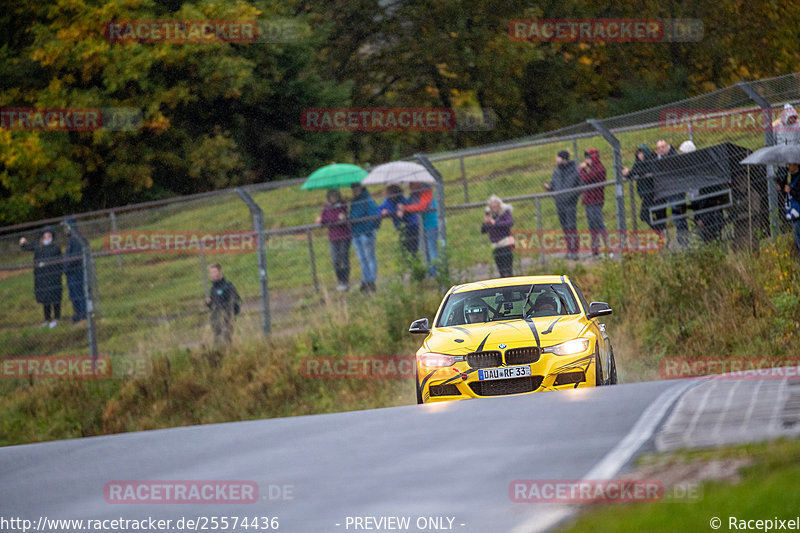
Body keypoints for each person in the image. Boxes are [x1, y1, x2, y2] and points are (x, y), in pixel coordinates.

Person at [19, 226, 63, 328]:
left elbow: (59, 262)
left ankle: (57, 318)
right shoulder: (38, 246)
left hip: (53, 277)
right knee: (45, 299)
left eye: (50, 235)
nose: (48, 237)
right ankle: (47, 319)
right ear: (42, 236)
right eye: (46, 235)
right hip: (42, 278)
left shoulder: (55, 248)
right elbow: (27, 247)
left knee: (55, 298)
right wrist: (22, 243)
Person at [544, 150, 581, 259]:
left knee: (571, 227)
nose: (556, 159)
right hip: (559, 204)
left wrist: (572, 197)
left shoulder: (574, 171)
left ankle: (575, 251)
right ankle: (569, 250)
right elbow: (554, 185)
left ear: (564, 159)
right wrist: (550, 188)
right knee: (565, 228)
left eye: (558, 157)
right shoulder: (556, 172)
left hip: (570, 203)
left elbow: (580, 186)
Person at [399, 182, 438, 277]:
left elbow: (422, 206)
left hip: (431, 224)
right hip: (422, 226)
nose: (410, 187)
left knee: (431, 248)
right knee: (423, 249)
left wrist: (405, 208)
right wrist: (400, 208)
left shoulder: (426, 192)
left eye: (412, 184)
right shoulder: (414, 195)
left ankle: (434, 272)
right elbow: (407, 205)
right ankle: (428, 271)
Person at [655, 139, 689, 246]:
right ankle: (683, 239)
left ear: (667, 147)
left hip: (677, 191)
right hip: (669, 191)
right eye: (658, 148)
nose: (660, 150)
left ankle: (684, 240)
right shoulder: (659, 158)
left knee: (679, 215)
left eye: (662, 147)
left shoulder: (672, 156)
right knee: (677, 216)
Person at [315, 189, 351, 291]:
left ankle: (346, 281)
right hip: (333, 237)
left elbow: (341, 218)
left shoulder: (342, 205)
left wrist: (342, 218)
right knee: (336, 260)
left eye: (335, 196)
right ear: (329, 197)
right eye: (331, 196)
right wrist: (320, 220)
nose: (333, 198)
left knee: (344, 258)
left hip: (344, 236)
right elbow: (324, 219)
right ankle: (340, 281)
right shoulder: (326, 207)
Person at [623, 144, 662, 234]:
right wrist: (626, 173)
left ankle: (660, 232)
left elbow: (647, 170)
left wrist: (631, 172)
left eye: (642, 153)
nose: (640, 155)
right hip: (646, 194)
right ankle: (659, 232)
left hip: (654, 192)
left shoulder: (653, 159)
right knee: (644, 216)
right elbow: (633, 173)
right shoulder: (638, 163)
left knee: (646, 214)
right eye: (639, 153)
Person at [349, 182, 381, 292]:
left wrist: (367, 231)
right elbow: (352, 217)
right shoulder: (354, 202)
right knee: (362, 259)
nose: (354, 191)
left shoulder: (368, 200)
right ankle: (366, 280)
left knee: (369, 257)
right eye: (353, 189)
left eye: (356, 188)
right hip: (356, 234)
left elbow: (374, 216)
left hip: (365, 233)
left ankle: (371, 281)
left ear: (361, 188)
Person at [579, 149, 610, 257]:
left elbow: (587, 178)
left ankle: (608, 247)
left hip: (596, 200)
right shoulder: (592, 168)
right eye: (586, 158)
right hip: (589, 200)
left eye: (589, 158)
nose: (587, 161)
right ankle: (595, 249)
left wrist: (582, 170)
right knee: (592, 225)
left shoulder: (599, 168)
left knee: (598, 223)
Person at [205, 263, 241, 347]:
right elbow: (213, 307)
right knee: (217, 341)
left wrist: (229, 314)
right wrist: (209, 303)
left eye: (214, 272)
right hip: (216, 321)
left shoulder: (228, 286)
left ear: (220, 272)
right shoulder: (213, 289)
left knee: (226, 339)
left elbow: (237, 301)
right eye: (211, 273)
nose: (212, 275)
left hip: (227, 319)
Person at [379, 184, 419, 257]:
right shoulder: (388, 201)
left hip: (412, 226)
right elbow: (381, 208)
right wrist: (383, 211)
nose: (391, 196)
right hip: (401, 228)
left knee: (413, 247)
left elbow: (405, 208)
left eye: (392, 193)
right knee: (405, 248)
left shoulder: (402, 199)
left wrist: (401, 209)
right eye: (389, 193)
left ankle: (414, 259)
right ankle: (409, 262)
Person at [61, 217, 87, 322]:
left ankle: (84, 316)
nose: (65, 230)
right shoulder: (72, 240)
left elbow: (75, 258)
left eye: (66, 227)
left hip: (76, 273)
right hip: (71, 274)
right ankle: (79, 314)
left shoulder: (77, 240)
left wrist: (67, 267)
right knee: (74, 296)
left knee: (79, 294)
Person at [481, 195, 514, 277]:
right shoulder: (490, 216)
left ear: (499, 205)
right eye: (492, 207)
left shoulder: (505, 213)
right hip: (496, 246)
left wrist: (495, 223)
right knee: (501, 271)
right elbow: (483, 231)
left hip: (505, 244)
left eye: (496, 206)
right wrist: (485, 223)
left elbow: (509, 223)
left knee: (508, 270)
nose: (494, 208)